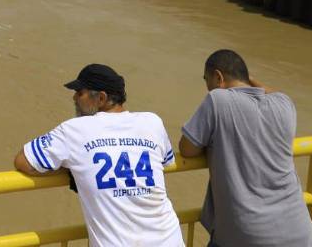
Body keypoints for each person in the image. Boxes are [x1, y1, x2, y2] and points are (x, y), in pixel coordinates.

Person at [14, 64, 184, 247]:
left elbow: (23, 161)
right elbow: (165, 162)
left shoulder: (75, 130)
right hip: (170, 240)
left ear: (101, 98)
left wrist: (77, 170)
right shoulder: (152, 122)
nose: (74, 97)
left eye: (80, 93)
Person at [179, 49, 312, 247]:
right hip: (299, 232)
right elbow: (274, 93)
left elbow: (187, 149)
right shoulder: (284, 105)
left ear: (218, 77)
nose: (208, 88)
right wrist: (248, 78)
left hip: (247, 236)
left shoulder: (218, 100)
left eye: (207, 81)